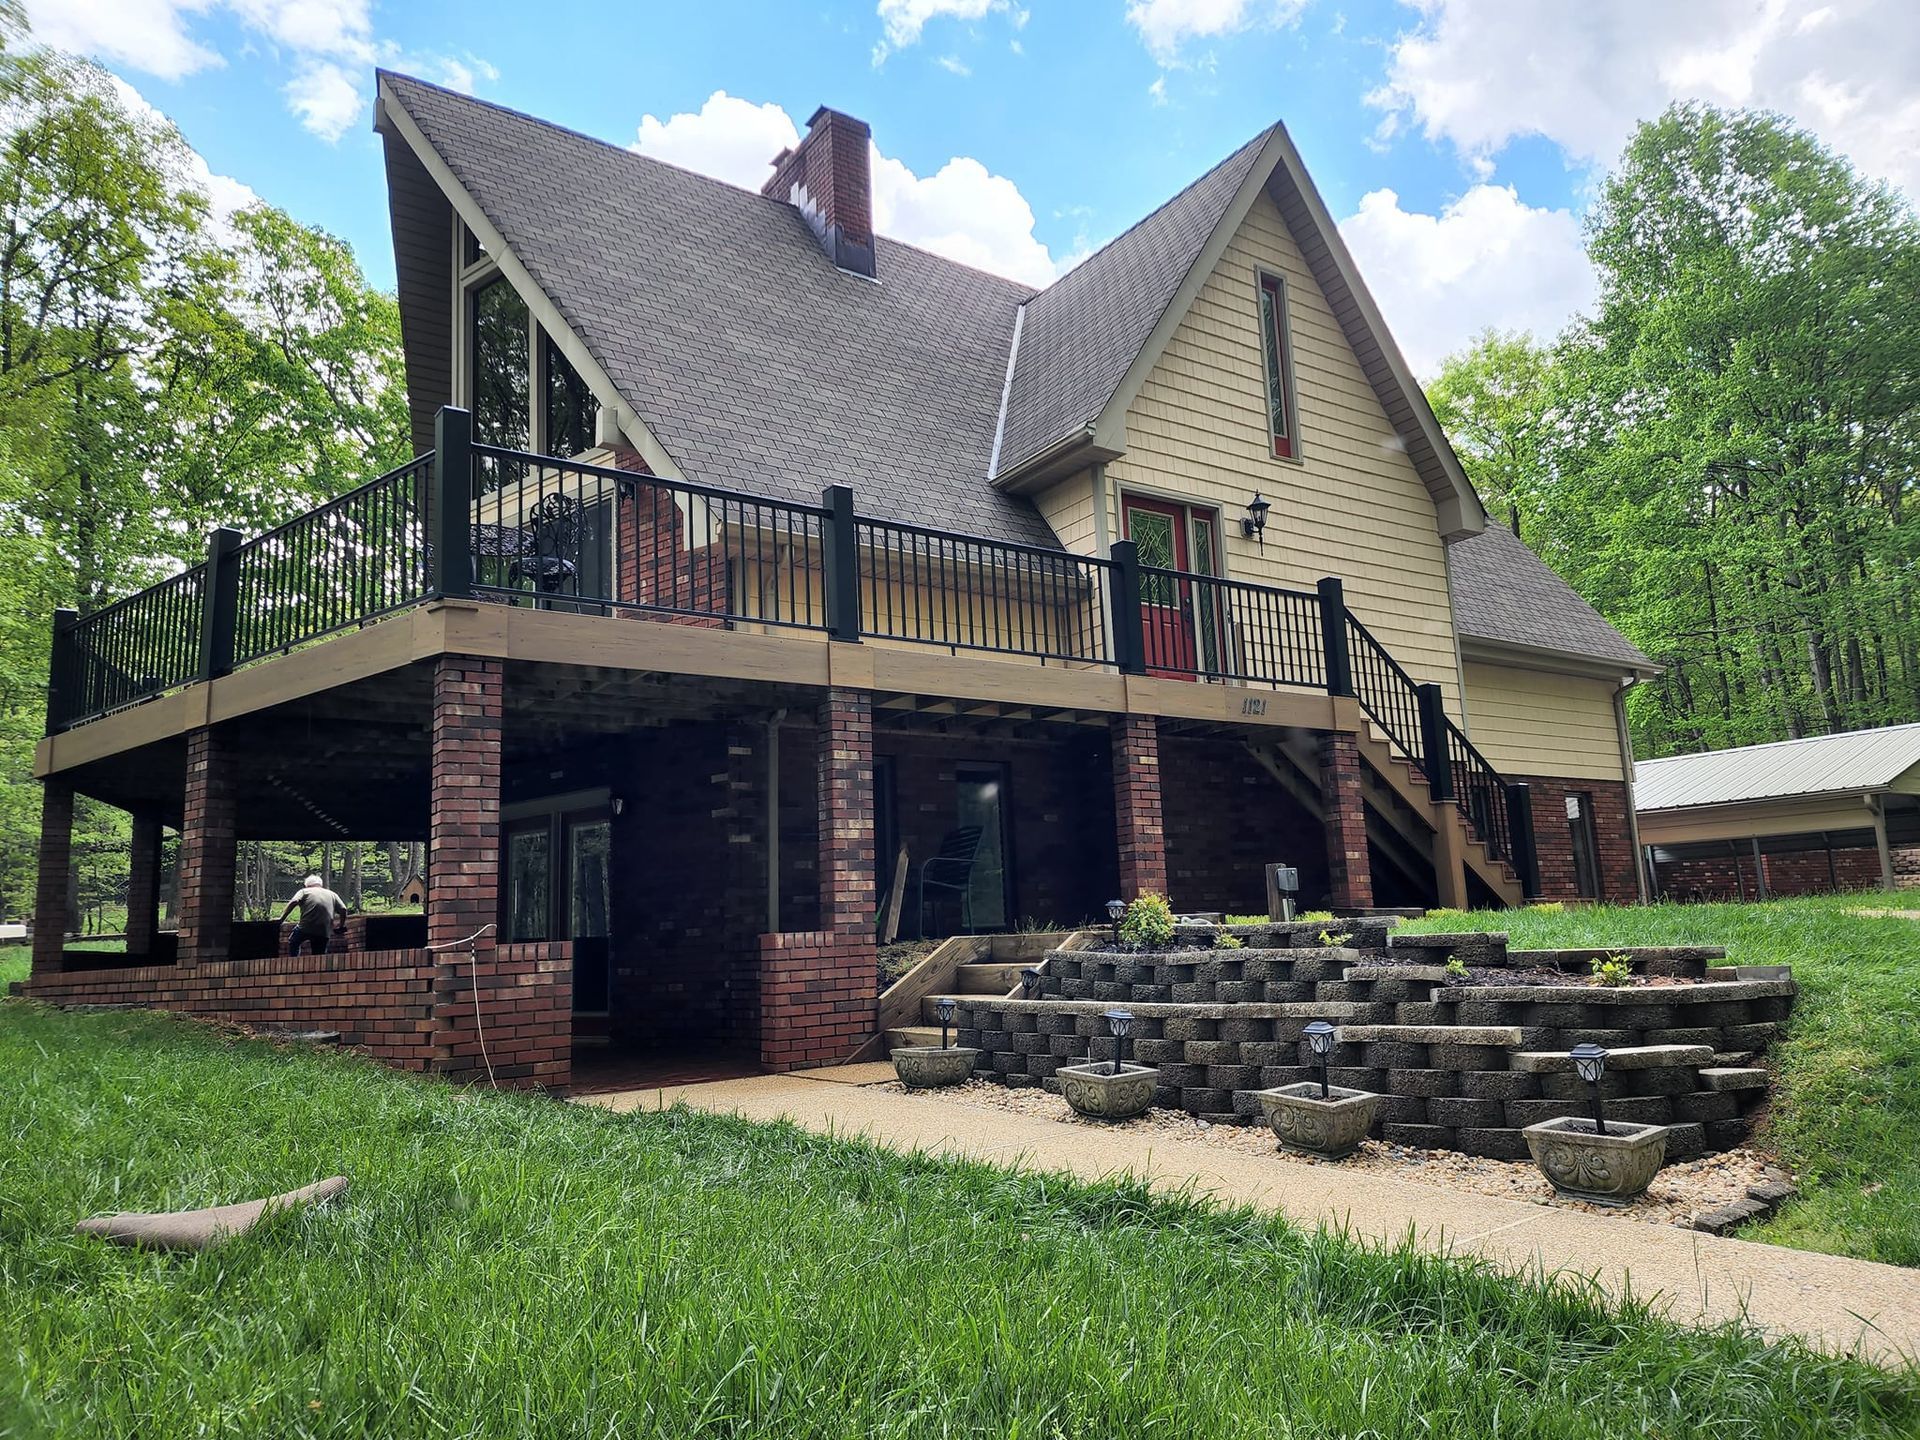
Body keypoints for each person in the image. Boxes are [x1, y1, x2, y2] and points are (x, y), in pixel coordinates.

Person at [279, 875, 347, 956]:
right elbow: (343, 909)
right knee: (319, 955)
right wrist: (341, 926)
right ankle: (318, 963)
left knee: (294, 941)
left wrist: (281, 919)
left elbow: (294, 901)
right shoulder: (332, 894)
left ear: (307, 885)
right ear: (320, 884)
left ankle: (294, 960)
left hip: (305, 926)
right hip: (324, 930)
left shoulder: (304, 891)